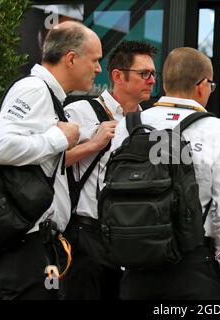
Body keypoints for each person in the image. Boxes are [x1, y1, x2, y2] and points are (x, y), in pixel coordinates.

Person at [0, 21, 102, 300]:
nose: (98, 69)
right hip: (24, 246)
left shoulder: (46, 93)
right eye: (95, 60)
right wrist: (60, 139)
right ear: (71, 58)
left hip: (32, 243)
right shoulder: (34, 89)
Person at [112, 47, 220, 300]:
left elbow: (106, 192)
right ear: (202, 85)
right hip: (192, 264)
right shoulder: (217, 130)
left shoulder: (128, 125)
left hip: (136, 264)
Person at [62, 40, 158, 299]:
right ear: (118, 76)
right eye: (144, 73)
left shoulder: (149, 124)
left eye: (153, 74)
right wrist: (93, 144)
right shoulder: (80, 111)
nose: (151, 80)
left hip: (130, 239)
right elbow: (51, 163)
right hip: (85, 234)